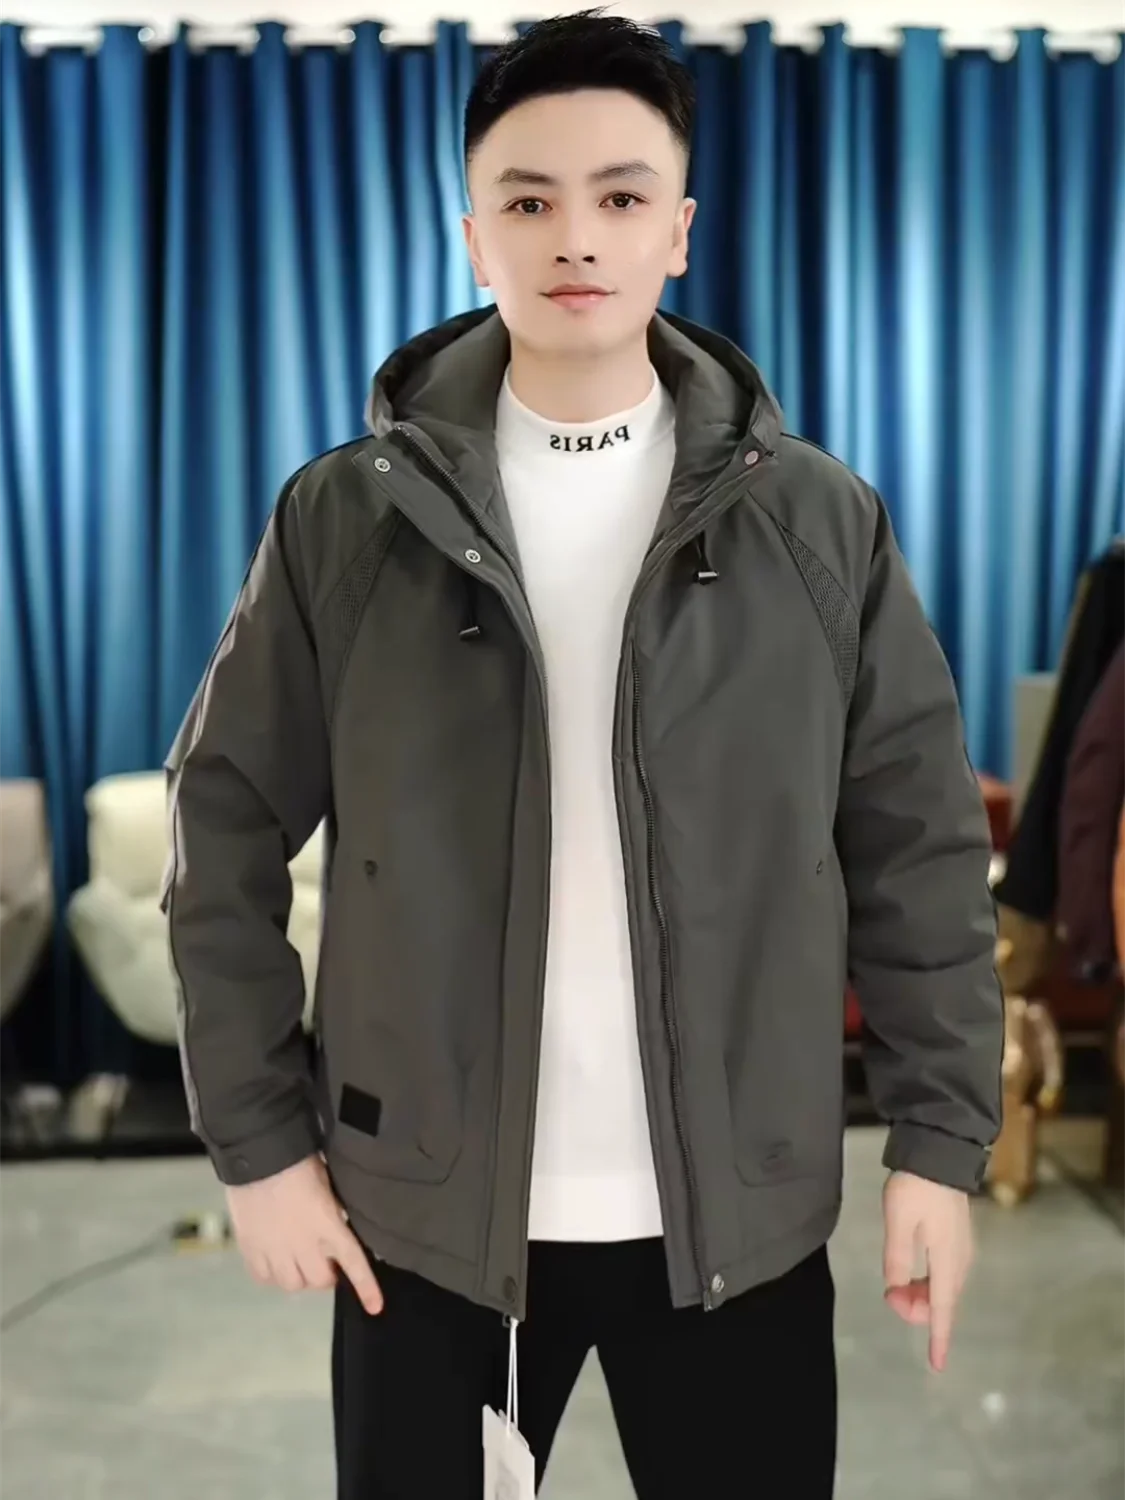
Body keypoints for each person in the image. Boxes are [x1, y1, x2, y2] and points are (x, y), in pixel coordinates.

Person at [163, 12, 1003, 1498]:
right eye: (529, 198)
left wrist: (939, 1143)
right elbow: (218, 828)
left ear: (679, 228)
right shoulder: (346, 524)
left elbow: (920, 849)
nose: (576, 237)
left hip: (737, 1218)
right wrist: (261, 1147)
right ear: (471, 234)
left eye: (621, 196)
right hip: (426, 1227)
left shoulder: (817, 525)